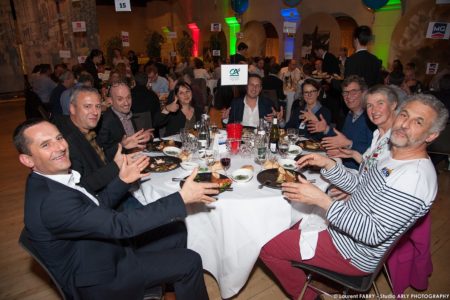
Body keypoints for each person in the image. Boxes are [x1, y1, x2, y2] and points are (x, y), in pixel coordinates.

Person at [260, 94, 448, 300]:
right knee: (284, 222)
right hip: (342, 231)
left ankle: (310, 297)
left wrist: (323, 201)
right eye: (404, 115)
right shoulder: (395, 157)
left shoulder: (414, 178)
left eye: (418, 121)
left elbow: (373, 234)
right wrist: (328, 164)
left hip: (352, 253)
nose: (404, 124)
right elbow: (361, 187)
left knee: (265, 247)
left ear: (431, 135)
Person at [14, 118, 219, 300]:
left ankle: (170, 286)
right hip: (104, 278)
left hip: (100, 251)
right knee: (190, 261)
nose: (59, 147)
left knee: (176, 231)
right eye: (45, 144)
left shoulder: (49, 181)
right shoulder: (53, 202)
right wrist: (181, 198)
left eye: (59, 138)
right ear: (27, 160)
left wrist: (121, 181)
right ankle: (167, 278)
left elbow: (95, 207)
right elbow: (120, 225)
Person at [54, 86, 124, 192]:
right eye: (87, 106)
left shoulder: (86, 130)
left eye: (98, 106)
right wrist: (115, 167)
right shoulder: (67, 142)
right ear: (72, 108)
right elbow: (79, 187)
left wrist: (124, 145)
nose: (95, 112)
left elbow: (99, 158)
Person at [312, 76, 375, 169]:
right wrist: (326, 129)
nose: (348, 96)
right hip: (342, 165)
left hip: (358, 172)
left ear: (364, 93)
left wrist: (349, 144)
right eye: (345, 93)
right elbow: (342, 139)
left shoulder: (372, 119)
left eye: (353, 92)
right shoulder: (350, 114)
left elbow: (374, 153)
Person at [97, 82, 153, 161]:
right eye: (120, 99)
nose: (126, 103)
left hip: (136, 158)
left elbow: (131, 140)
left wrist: (142, 137)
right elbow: (102, 155)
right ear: (110, 100)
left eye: (128, 97)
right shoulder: (105, 122)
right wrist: (122, 145)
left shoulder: (127, 113)